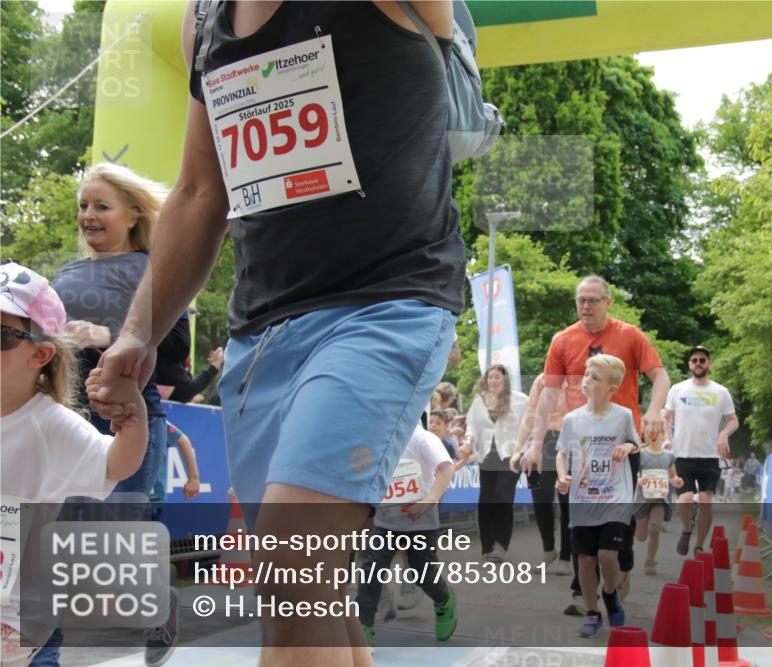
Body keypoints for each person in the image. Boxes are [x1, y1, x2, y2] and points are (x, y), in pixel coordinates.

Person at [88, 2, 463, 662]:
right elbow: (200, 191)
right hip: (261, 336)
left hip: (383, 308)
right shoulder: (204, 18)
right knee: (308, 595)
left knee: (292, 561)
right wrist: (139, 332)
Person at [37, 163, 189, 667]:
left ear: (133, 215)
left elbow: (176, 357)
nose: (88, 216)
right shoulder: (65, 275)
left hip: (128, 421)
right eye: (83, 206)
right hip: (67, 421)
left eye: (102, 206)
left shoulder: (155, 268)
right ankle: (45, 652)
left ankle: (160, 607)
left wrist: (111, 337)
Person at [0, 263, 149, 667]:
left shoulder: (50, 423)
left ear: (41, 354)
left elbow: (115, 464)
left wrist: (132, 414)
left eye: (1, 336)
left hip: (15, 612)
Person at [522, 275, 670, 609]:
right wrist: (535, 443)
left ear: (607, 302)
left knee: (620, 513)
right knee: (578, 516)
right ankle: (582, 590)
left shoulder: (629, 335)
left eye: (593, 300)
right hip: (582, 444)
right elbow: (548, 395)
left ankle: (623, 566)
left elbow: (660, 375)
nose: (586, 306)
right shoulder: (563, 340)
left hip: (622, 442)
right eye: (581, 300)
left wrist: (654, 409)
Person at [555, 354, 640, 638]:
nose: (587, 380)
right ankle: (593, 613)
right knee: (586, 560)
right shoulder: (572, 419)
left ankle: (611, 594)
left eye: (595, 378)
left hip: (615, 496)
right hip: (583, 498)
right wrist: (562, 475)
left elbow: (635, 443)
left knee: (607, 556)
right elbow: (562, 452)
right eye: (587, 375)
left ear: (611, 388)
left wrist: (627, 448)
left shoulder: (623, 416)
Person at [356, 426, 456, 647]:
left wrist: (429, 500)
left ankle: (443, 599)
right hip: (385, 521)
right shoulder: (377, 437)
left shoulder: (422, 438)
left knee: (422, 573)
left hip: (421, 521)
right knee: (371, 571)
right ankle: (364, 627)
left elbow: (447, 467)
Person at [664, 346, 739, 556]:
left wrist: (724, 434)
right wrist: (667, 439)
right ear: (689, 365)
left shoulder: (720, 392)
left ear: (709, 364)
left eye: (702, 360)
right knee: (685, 499)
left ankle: (699, 545)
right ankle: (687, 530)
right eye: (695, 360)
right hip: (683, 454)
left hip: (709, 456)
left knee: (706, 502)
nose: (698, 363)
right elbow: (666, 418)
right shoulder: (677, 389)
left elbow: (733, 420)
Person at [464, 365, 529, 561]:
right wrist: (468, 441)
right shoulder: (479, 401)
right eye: (490, 377)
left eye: (497, 377)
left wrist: (525, 450)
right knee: (486, 500)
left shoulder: (520, 399)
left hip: (511, 455)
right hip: (487, 456)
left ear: (505, 379)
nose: (493, 380)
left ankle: (501, 545)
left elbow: (529, 425)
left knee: (502, 496)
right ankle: (488, 545)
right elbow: (471, 425)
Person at [512, 374, 572, 575]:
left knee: (567, 501)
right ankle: (548, 549)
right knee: (539, 497)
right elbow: (530, 414)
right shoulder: (542, 379)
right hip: (541, 440)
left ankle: (566, 556)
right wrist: (518, 448)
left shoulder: (580, 378)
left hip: (570, 438)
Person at [634, 437, 682, 576]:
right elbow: (631, 474)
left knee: (654, 529)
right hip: (642, 500)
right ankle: (635, 528)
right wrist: (639, 480)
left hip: (660, 499)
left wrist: (676, 481)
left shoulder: (668, 456)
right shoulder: (640, 454)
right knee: (641, 537)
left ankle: (650, 562)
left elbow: (672, 476)